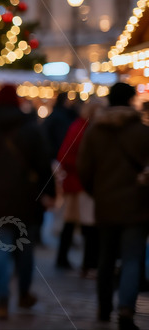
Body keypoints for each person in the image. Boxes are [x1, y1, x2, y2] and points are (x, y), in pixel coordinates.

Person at [0, 85, 54, 320]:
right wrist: (50, 191)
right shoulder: (30, 129)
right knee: (24, 248)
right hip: (26, 196)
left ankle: (2, 299)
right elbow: (43, 164)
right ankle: (24, 293)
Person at [78, 83, 149, 330]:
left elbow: (84, 169)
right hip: (137, 205)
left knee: (105, 257)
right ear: (130, 101)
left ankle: (104, 307)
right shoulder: (142, 132)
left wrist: (96, 191)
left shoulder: (96, 131)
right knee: (131, 258)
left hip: (105, 204)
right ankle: (126, 310)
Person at [55, 98, 104, 274]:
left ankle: (66, 259)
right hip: (81, 184)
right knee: (86, 224)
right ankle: (88, 263)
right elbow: (65, 156)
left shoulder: (82, 127)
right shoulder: (83, 129)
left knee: (73, 222)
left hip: (78, 183)